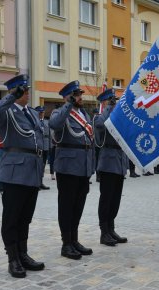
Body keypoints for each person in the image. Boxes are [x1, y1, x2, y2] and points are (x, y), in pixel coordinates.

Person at [0, 74, 45, 278]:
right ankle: (12, 259)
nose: (27, 93)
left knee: (25, 217)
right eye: (23, 90)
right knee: (11, 218)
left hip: (32, 171)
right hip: (14, 172)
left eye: (27, 90)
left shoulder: (30, 112)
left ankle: (23, 254)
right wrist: (10, 97)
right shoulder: (7, 111)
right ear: (14, 91)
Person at [49, 80, 94, 260]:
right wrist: (68, 103)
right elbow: (55, 124)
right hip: (67, 168)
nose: (80, 97)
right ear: (69, 97)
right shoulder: (60, 112)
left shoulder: (83, 114)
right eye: (77, 95)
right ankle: (66, 243)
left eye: (80, 94)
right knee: (66, 206)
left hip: (82, 167)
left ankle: (74, 239)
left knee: (78, 205)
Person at [94, 88, 128, 246]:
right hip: (108, 162)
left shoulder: (118, 117)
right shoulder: (101, 116)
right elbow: (100, 125)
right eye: (111, 100)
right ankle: (104, 232)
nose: (114, 103)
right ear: (105, 102)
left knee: (115, 200)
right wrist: (108, 107)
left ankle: (111, 228)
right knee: (106, 199)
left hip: (120, 162)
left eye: (114, 100)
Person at [35, 106, 50, 190]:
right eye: (40, 112)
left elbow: (50, 135)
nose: (41, 114)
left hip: (46, 146)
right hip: (38, 146)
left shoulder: (46, 122)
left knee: (43, 165)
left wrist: (50, 146)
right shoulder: (34, 122)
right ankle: (36, 183)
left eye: (43, 112)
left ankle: (40, 182)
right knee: (37, 165)